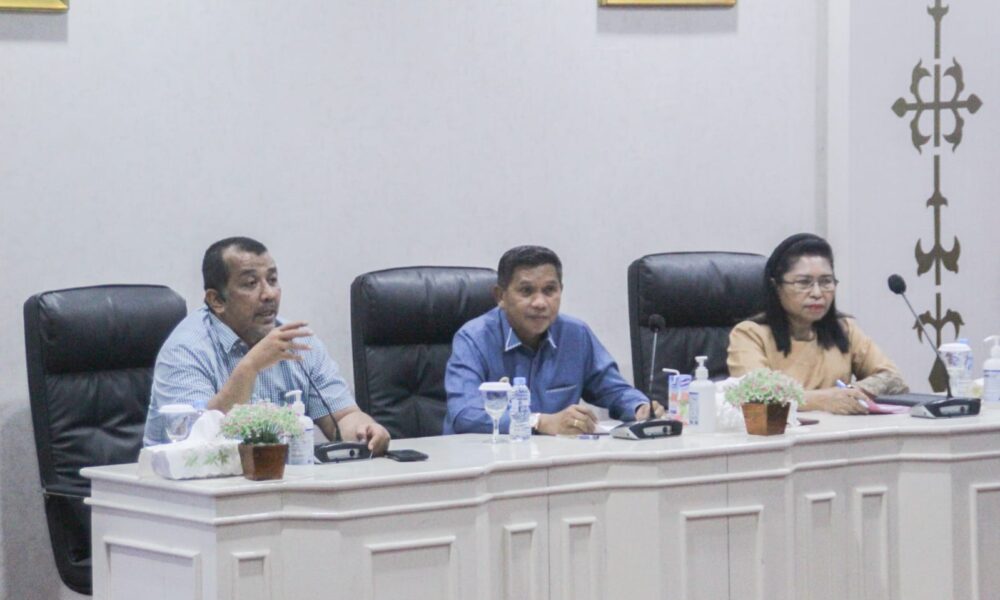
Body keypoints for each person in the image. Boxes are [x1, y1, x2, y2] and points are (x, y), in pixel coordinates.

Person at [143, 236, 390, 454]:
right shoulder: (185, 350)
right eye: (251, 283)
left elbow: (343, 416)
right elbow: (197, 444)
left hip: (281, 485)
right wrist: (250, 367)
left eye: (272, 280)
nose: (269, 293)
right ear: (216, 300)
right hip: (190, 489)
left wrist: (365, 430)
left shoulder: (298, 342)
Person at [444, 245, 663, 435]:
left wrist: (639, 408)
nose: (540, 303)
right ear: (501, 296)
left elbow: (614, 390)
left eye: (549, 290)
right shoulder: (474, 339)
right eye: (526, 291)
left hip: (555, 460)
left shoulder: (576, 335)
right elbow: (465, 415)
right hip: (486, 461)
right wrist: (539, 422)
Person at [727, 233, 909, 414]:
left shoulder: (844, 329)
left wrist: (850, 393)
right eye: (804, 282)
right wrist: (823, 400)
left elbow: (893, 379)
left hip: (841, 430)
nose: (817, 293)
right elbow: (755, 395)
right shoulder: (749, 334)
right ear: (776, 286)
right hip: (784, 431)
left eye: (826, 282)